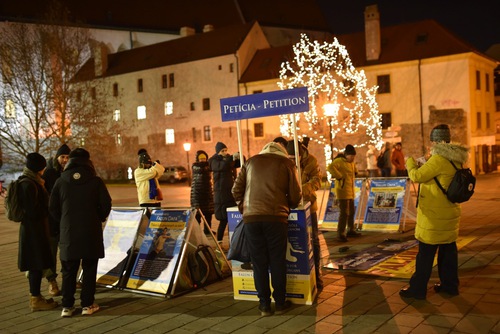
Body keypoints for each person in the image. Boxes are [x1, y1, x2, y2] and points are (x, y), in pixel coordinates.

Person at [232, 141, 302, 316]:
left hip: (251, 220)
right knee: (277, 260)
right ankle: (280, 303)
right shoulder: (287, 163)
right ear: (282, 152)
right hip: (276, 218)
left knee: (259, 263)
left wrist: (245, 209)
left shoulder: (250, 162)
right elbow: (294, 197)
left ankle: (264, 305)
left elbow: (235, 190)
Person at [400, 124, 468, 300]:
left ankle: (417, 290)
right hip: (449, 213)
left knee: (425, 255)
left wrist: (410, 162)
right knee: (448, 253)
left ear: (436, 142)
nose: (430, 146)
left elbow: (416, 176)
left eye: (432, 143)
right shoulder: (456, 159)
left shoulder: (438, 160)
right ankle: (450, 286)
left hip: (434, 217)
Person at [49, 148, 112, 317]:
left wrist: (63, 221)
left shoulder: (61, 181)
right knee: (89, 269)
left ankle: (67, 306)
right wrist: (98, 217)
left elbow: (52, 208)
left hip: (68, 232)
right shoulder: (95, 181)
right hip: (90, 232)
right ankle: (87, 304)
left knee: (68, 270)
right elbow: (106, 204)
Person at [18, 152, 59, 312]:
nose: (43, 171)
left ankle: (37, 296)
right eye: (42, 168)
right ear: (37, 169)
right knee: (35, 265)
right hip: (33, 232)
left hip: (34, 231)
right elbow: (32, 211)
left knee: (36, 264)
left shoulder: (31, 182)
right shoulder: (29, 184)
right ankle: (35, 299)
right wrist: (47, 208)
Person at [286, 140, 324, 290]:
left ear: (301, 154)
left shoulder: (311, 161)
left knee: (313, 239)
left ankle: (318, 273)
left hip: (309, 206)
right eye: (290, 158)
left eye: (295, 157)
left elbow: (317, 181)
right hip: (290, 207)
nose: (293, 161)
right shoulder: (284, 161)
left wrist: (302, 189)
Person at [41, 143, 71, 297]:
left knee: (67, 252)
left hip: (66, 222)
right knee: (51, 253)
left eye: (67, 157)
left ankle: (69, 279)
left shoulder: (71, 173)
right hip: (52, 221)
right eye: (62, 157)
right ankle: (52, 281)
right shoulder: (50, 173)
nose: (65, 159)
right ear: (57, 157)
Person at [209, 142, 240, 248]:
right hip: (221, 195)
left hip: (229, 194)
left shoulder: (227, 160)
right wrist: (231, 157)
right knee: (223, 220)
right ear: (218, 152)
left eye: (226, 150)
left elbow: (238, 163)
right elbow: (222, 166)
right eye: (223, 151)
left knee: (231, 220)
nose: (225, 152)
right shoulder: (214, 160)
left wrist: (240, 155)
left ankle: (232, 242)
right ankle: (219, 242)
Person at [328, 144, 361, 242]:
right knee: (344, 213)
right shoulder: (339, 161)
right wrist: (339, 176)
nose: (352, 158)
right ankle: (341, 233)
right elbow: (330, 167)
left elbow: (354, 172)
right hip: (342, 191)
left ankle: (351, 229)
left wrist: (355, 171)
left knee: (351, 211)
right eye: (351, 156)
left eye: (353, 156)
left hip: (350, 190)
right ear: (346, 155)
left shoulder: (351, 163)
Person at [190, 150, 214, 234]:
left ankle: (208, 230)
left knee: (208, 214)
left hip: (207, 194)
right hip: (197, 195)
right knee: (198, 215)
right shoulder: (195, 166)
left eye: (204, 158)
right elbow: (201, 169)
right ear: (197, 159)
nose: (203, 160)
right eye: (201, 158)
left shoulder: (208, 166)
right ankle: (197, 231)